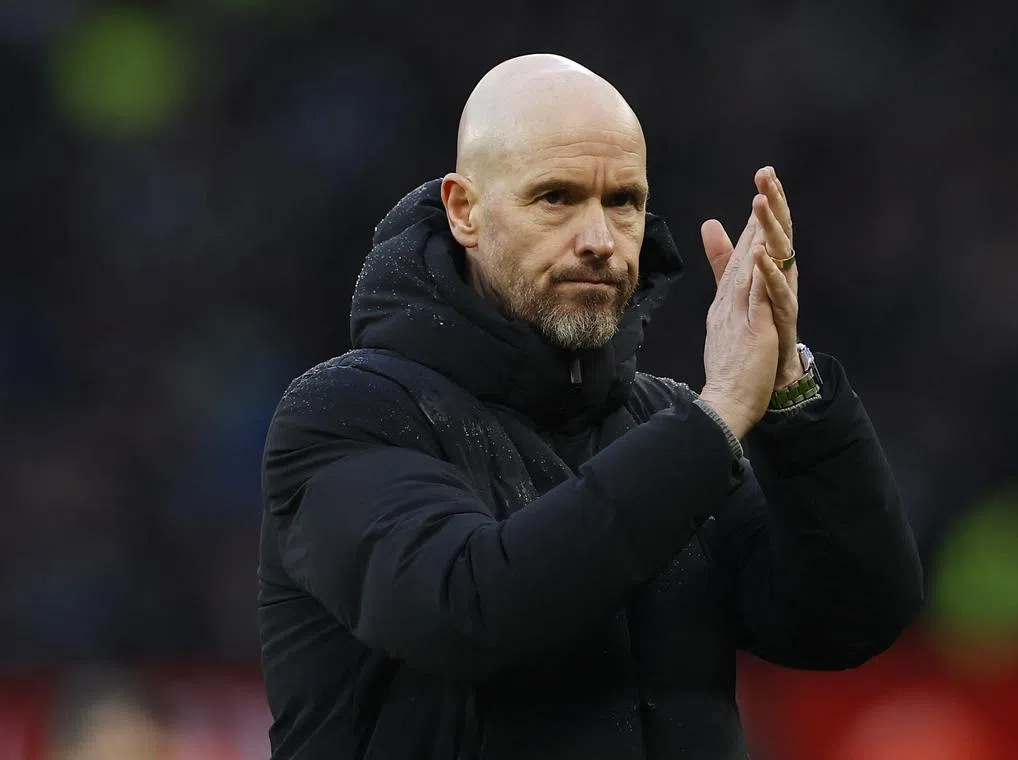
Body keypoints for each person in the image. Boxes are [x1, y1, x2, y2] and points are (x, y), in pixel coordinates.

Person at [258, 53, 923, 760]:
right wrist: (719, 414)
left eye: (624, 201)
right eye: (556, 197)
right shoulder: (345, 414)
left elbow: (849, 618)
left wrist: (789, 391)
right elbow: (469, 610)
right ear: (465, 211)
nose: (600, 240)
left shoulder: (666, 424)